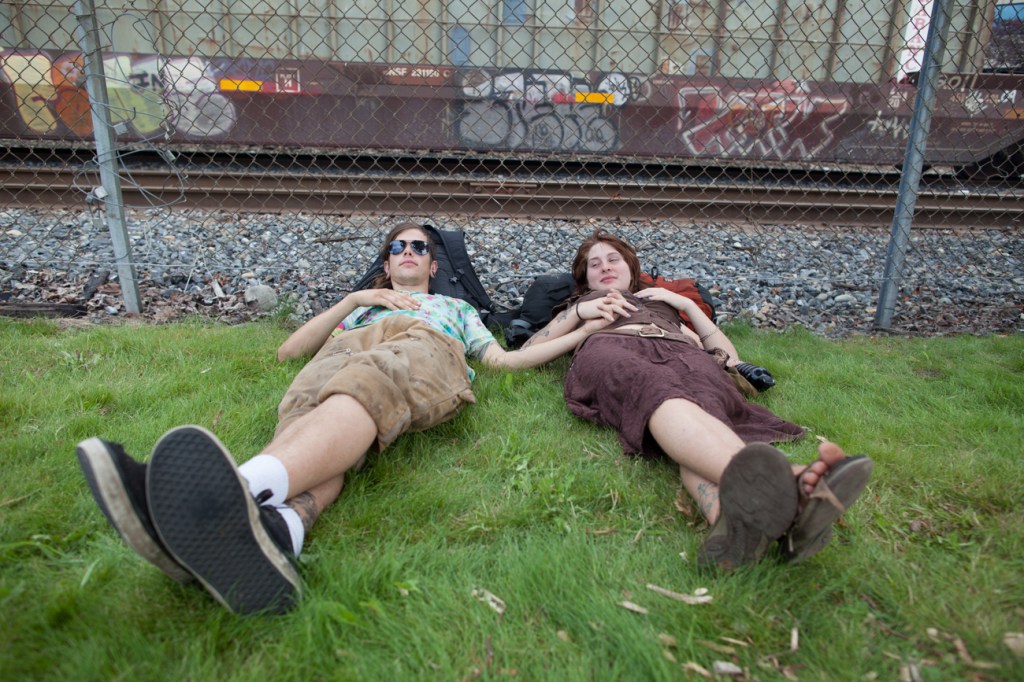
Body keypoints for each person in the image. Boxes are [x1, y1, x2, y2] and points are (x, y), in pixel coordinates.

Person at [76, 222, 607, 615]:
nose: (406, 252)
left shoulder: (456, 312)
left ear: (433, 265)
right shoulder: (357, 306)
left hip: (424, 346)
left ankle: (225, 495)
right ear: (387, 260)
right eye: (396, 246)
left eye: (418, 247)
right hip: (344, 348)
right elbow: (290, 353)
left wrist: (579, 333)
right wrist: (353, 298)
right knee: (307, 416)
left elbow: (503, 362)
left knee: (368, 383)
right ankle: (278, 531)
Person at [522, 228, 873, 570]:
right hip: (613, 350)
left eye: (613, 259)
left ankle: (732, 521)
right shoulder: (581, 304)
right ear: (585, 278)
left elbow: (730, 358)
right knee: (656, 391)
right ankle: (790, 488)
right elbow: (528, 350)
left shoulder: (661, 304)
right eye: (594, 264)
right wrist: (581, 316)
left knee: (704, 416)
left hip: (683, 352)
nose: (605, 267)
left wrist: (685, 305)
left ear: (631, 267)